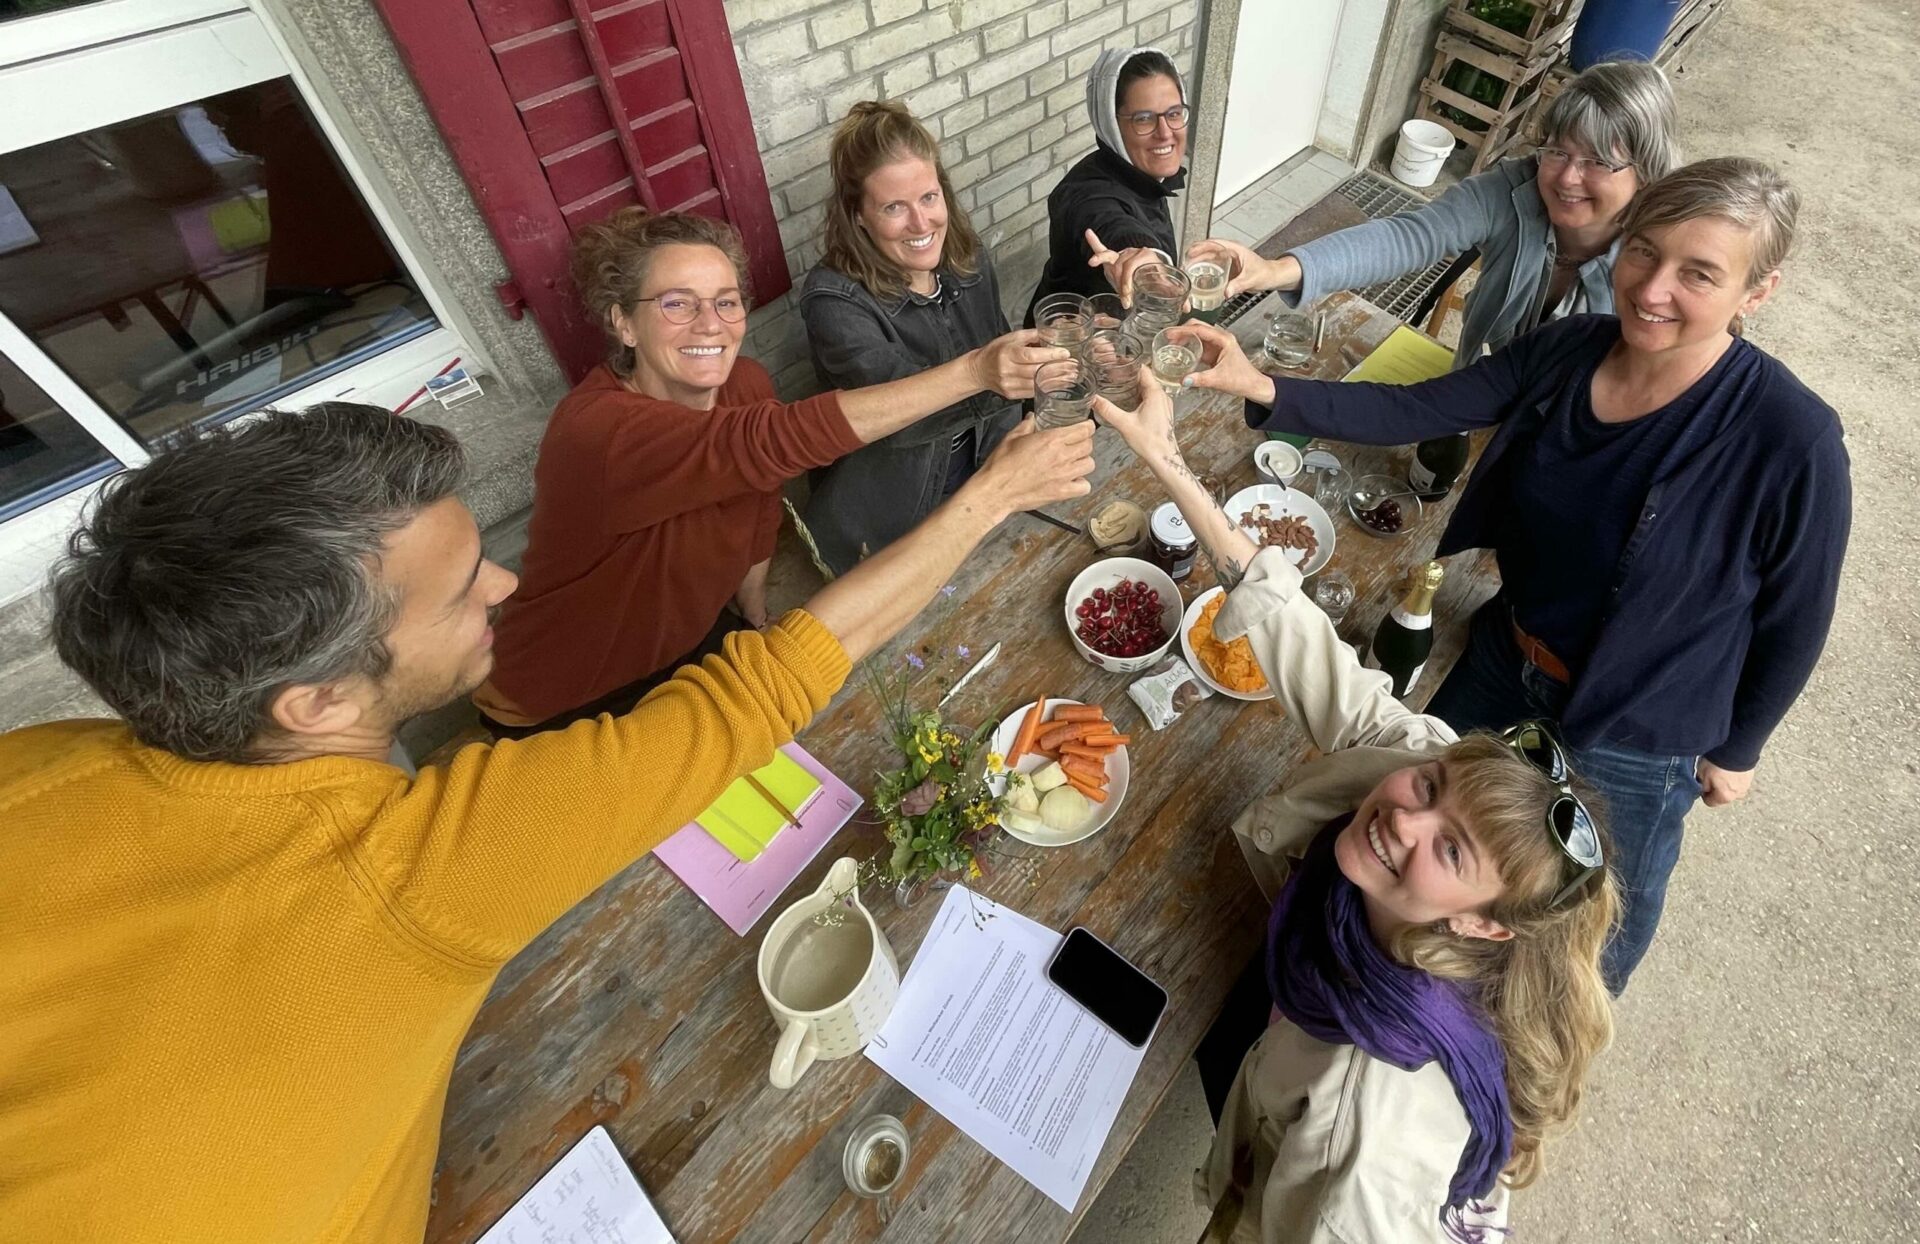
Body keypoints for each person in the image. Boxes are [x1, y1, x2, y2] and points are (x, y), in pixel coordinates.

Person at [0, 400, 1095, 1241]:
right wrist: (993, 495)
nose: (507, 581)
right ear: (318, 700)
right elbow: (769, 683)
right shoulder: (421, 866)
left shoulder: (33, 766)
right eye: (463, 585)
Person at [1175, 156, 1851, 991]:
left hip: (1642, 728)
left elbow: (1798, 613)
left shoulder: (1791, 437)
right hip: (1511, 659)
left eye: (1699, 274)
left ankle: (1509, 1100)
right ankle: (1363, 995)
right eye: (1645, 252)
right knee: (1426, 843)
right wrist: (1261, 383)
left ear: (1758, 292)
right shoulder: (1573, 350)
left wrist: (1740, 746)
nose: (1651, 289)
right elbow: (1423, 407)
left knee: (1581, 943)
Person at [1091, 375, 1617, 1242]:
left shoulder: (1366, 1126)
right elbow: (1302, 642)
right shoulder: (1419, 775)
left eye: (1451, 853)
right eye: (1433, 789)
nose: (1405, 819)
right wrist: (1165, 458)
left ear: (1488, 926)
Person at [473, 208, 1065, 735]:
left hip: (687, 654)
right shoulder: (598, 431)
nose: (710, 324)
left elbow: (759, 506)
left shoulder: (746, 384)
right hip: (560, 700)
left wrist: (750, 607)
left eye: (725, 301)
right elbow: (769, 444)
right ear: (624, 323)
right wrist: (974, 372)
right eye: (677, 303)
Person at [1179, 60, 1678, 367]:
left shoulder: (1668, 254)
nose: (1568, 177)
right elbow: (1408, 237)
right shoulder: (1514, 190)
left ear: (1646, 171)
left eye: (1597, 161)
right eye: (1558, 151)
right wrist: (1273, 269)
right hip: (1487, 393)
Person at [799, 101, 1024, 573]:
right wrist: (991, 375)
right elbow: (903, 422)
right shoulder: (834, 302)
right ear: (857, 215)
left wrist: (1070, 352)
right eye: (893, 207)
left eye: (928, 197)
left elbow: (999, 345)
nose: (922, 224)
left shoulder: (968, 258)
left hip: (981, 479)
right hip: (890, 516)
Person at [1024, 46, 1189, 321]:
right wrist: (1137, 259)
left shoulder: (1143, 175)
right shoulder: (1083, 192)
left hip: (1121, 340)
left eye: (1173, 114)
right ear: (1111, 124)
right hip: (1068, 349)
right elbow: (1106, 220)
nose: (1165, 133)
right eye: (1144, 119)